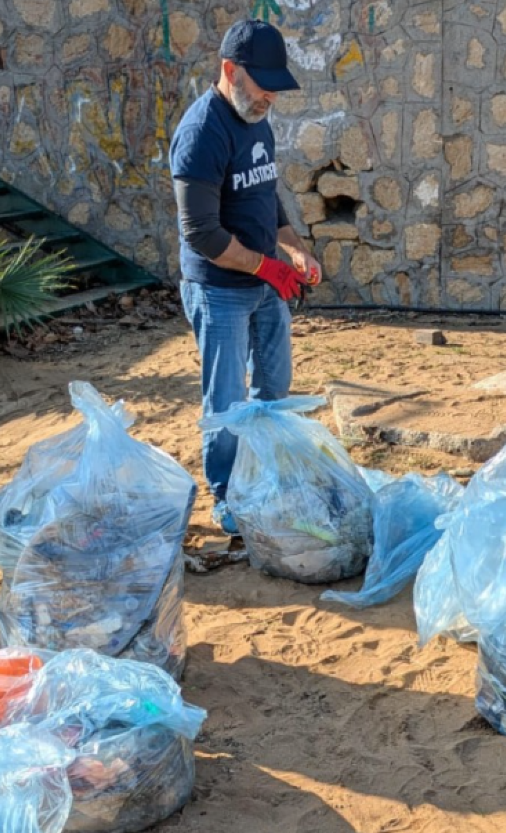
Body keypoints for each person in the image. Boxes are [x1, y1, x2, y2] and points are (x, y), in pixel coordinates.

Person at [169, 19, 322, 535]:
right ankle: (227, 496)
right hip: (219, 291)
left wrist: (294, 252)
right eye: (263, 86)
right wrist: (266, 266)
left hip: (263, 283)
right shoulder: (201, 133)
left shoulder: (256, 119)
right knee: (227, 402)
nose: (270, 98)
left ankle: (264, 476)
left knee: (274, 386)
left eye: (276, 88)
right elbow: (201, 233)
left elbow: (266, 195)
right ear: (230, 70)